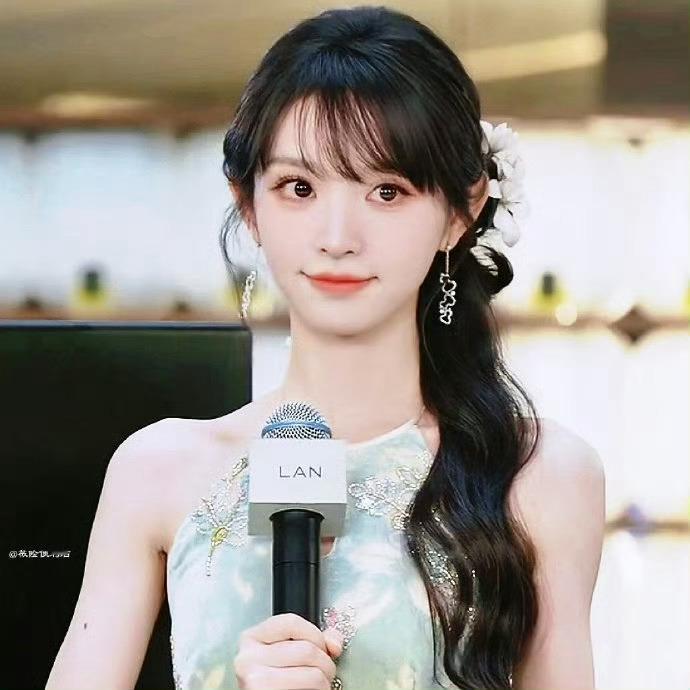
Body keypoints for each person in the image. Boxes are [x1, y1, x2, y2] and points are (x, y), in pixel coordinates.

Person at [46, 6, 606, 690]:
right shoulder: (156, 472)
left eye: (387, 191)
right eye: (300, 188)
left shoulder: (540, 474)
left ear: (460, 213)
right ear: (249, 205)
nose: (337, 237)